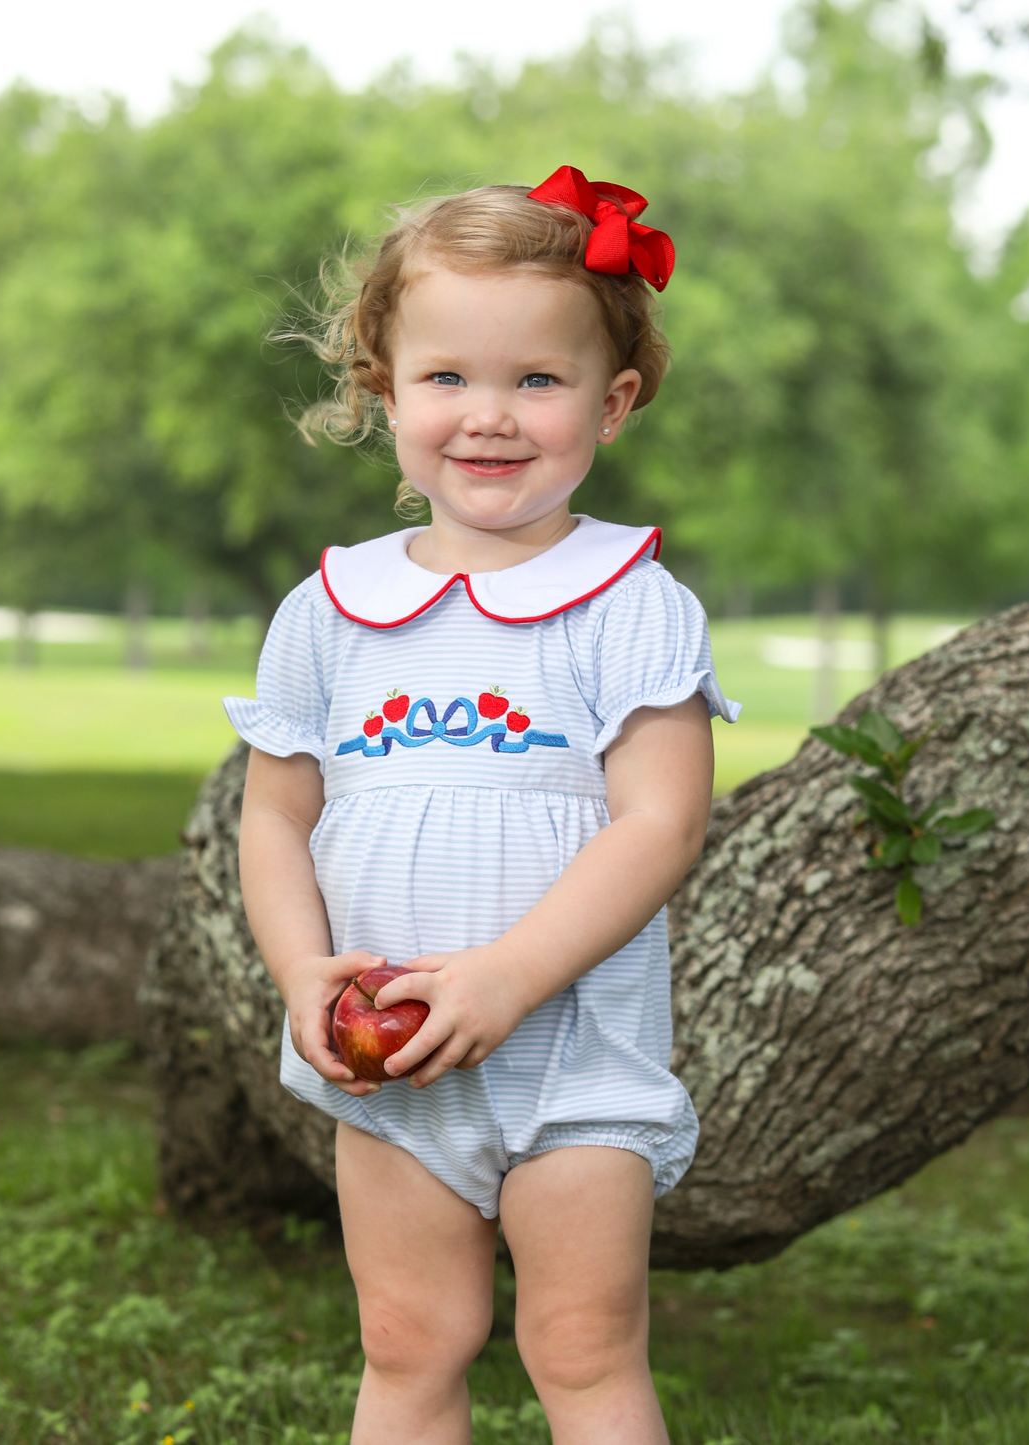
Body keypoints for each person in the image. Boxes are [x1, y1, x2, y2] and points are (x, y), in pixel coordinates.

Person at [228, 165, 739, 1445]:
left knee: (579, 1344)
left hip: (570, 1056)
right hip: (388, 1055)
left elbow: (658, 824)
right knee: (406, 1341)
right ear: (383, 392)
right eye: (446, 377)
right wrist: (300, 970)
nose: (489, 416)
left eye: (537, 380)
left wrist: (507, 977)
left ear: (611, 401)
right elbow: (275, 819)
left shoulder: (627, 602)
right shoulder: (329, 608)